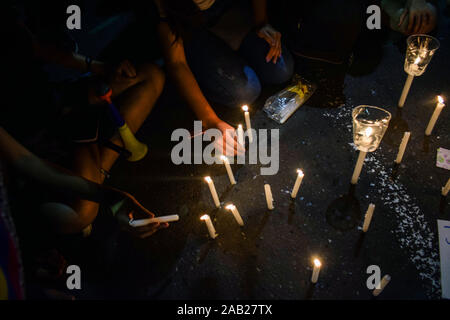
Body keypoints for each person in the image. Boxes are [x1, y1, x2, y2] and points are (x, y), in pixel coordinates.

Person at [0, 5, 167, 237]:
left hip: (57, 100)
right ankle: (92, 169)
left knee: (150, 76)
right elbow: (27, 162)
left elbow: (35, 48)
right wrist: (112, 198)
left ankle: (97, 171)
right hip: (34, 138)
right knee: (81, 215)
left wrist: (98, 67)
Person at [155, 0, 294, 145]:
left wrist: (261, 22)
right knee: (244, 92)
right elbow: (177, 63)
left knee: (281, 70)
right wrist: (210, 121)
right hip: (192, 32)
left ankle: (235, 54)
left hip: (231, 14)